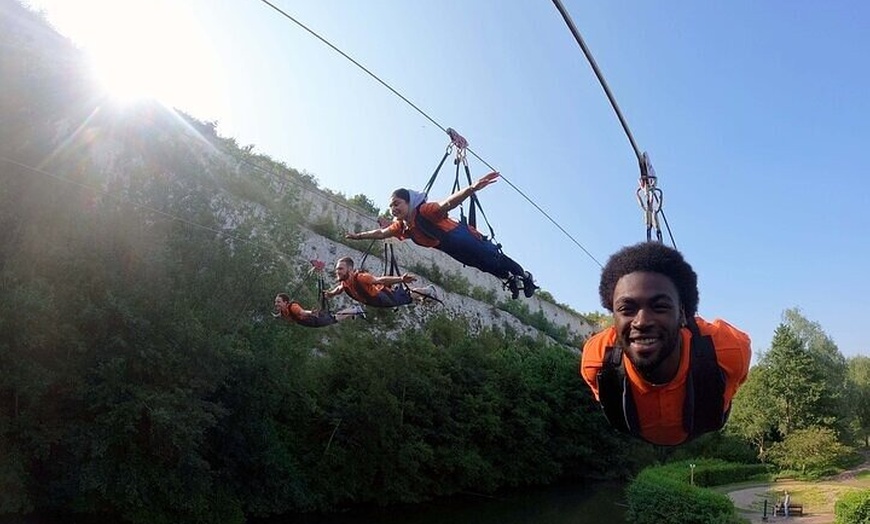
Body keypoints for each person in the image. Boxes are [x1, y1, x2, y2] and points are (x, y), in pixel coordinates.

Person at [579, 242, 751, 446]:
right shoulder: (597, 362)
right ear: (613, 317)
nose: (641, 322)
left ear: (683, 314)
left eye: (659, 307)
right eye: (627, 309)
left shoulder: (727, 352)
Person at [345, 172, 536, 299]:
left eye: (397, 203)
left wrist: (471, 188)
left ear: (408, 202)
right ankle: (511, 279)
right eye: (391, 206)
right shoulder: (402, 227)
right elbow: (380, 233)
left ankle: (526, 277)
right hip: (454, 249)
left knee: (496, 259)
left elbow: (448, 203)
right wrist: (358, 236)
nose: (393, 209)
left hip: (465, 239)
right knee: (484, 266)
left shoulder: (425, 211)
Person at [323, 257, 437, 308]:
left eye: (340, 269)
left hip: (385, 298)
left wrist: (401, 279)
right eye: (337, 269)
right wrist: (330, 294)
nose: (337, 272)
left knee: (407, 296)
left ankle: (428, 291)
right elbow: (339, 289)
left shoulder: (361, 278)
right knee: (406, 297)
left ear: (350, 269)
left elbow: (380, 280)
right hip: (377, 301)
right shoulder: (345, 282)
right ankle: (424, 296)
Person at [273, 293, 363, 327]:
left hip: (315, 319)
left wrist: (311, 313)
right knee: (334, 318)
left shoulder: (293, 307)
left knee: (334, 318)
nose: (276, 304)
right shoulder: (283, 311)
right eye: (276, 302)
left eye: (278, 302)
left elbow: (302, 312)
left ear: (285, 302)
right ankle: (353, 311)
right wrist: (276, 316)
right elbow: (281, 315)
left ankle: (355, 310)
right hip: (313, 322)